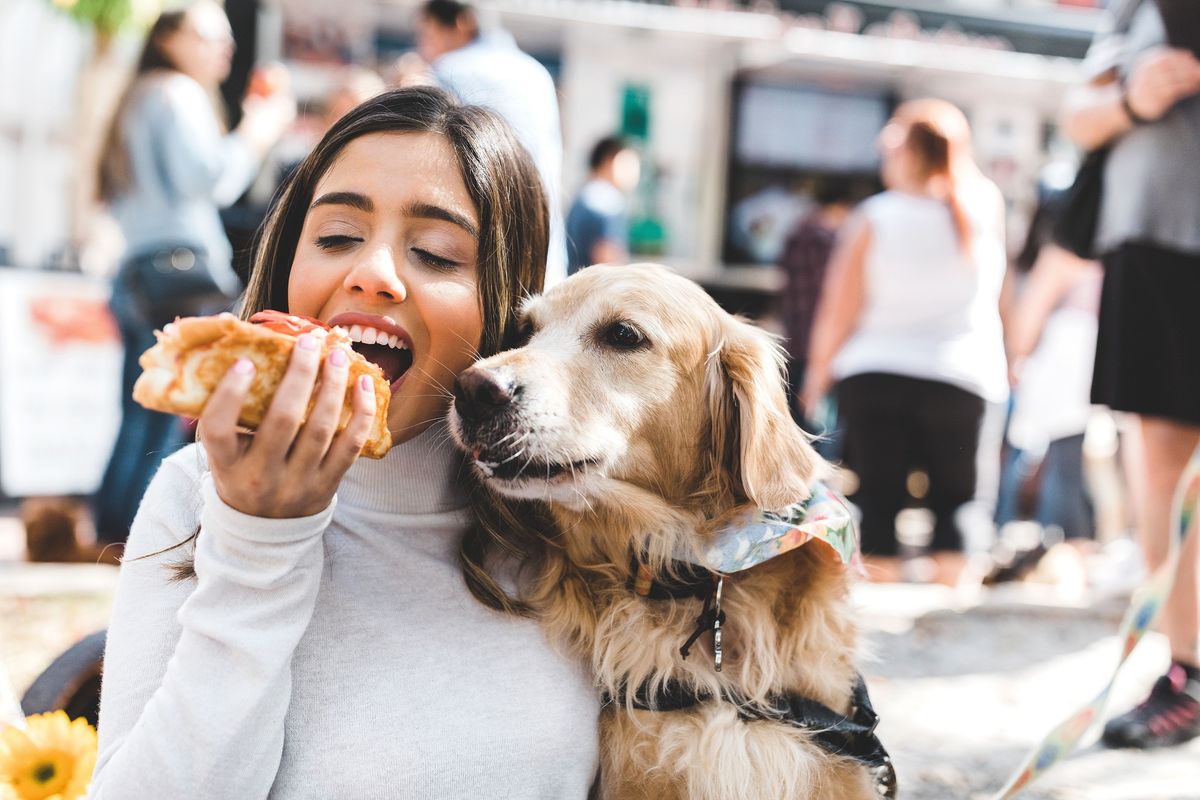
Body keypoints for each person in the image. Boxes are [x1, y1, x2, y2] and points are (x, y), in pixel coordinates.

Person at [91, 87, 599, 797]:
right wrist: (257, 544)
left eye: (435, 252)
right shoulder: (192, 493)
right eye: (335, 237)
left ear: (507, 304)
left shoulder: (578, 527)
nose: (373, 273)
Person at [94, 1, 294, 546]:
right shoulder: (176, 94)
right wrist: (258, 128)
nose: (224, 49)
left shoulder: (136, 96)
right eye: (210, 37)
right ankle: (133, 538)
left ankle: (107, 532)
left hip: (139, 271)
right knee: (167, 414)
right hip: (181, 273)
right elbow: (211, 178)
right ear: (170, 39)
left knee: (138, 412)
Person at [1061, 0, 1200, 749]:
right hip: (1156, 238)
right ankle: (1189, 671)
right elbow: (1078, 114)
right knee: (1163, 465)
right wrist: (1132, 97)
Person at [802, 99, 1009, 586]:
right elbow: (1005, 297)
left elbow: (840, 307)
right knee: (959, 506)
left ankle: (888, 628)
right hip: (963, 375)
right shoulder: (983, 208)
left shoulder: (875, 216)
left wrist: (817, 374)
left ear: (908, 154)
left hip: (876, 374)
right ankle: (947, 618)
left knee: (878, 501)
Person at [416, 0, 567, 286]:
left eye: (427, 34)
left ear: (461, 24)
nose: (425, 47)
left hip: (483, 239)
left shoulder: (450, 68)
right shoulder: (535, 72)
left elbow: (432, 154)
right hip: (543, 238)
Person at [777, 178, 854, 424]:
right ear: (838, 207)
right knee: (819, 419)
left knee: (794, 415)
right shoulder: (829, 242)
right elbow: (834, 295)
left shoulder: (794, 236)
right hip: (820, 339)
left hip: (794, 336)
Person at [565, 136, 640, 275]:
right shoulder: (605, 199)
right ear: (609, 161)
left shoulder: (584, 193)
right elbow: (606, 256)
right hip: (597, 291)